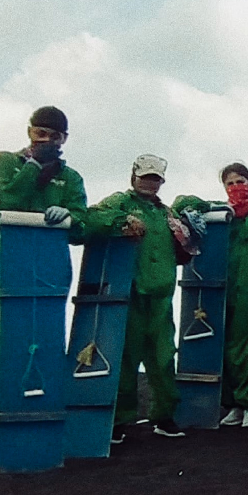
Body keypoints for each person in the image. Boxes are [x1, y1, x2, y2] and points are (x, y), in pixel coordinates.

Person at [0, 106, 89, 465]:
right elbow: (3, 203)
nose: (45, 141)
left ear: (64, 139)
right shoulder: (4, 163)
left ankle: (34, 428)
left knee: (40, 346)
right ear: (29, 131)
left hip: (47, 266)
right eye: (39, 133)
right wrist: (32, 167)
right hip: (3, 261)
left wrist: (71, 217)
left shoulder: (70, 177)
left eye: (53, 136)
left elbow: (81, 226)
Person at [85, 154, 205, 442]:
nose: (150, 183)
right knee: (126, 358)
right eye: (146, 177)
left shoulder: (167, 213)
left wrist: (195, 211)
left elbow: (197, 206)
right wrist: (121, 220)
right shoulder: (119, 203)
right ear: (133, 176)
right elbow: (90, 218)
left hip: (162, 297)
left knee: (164, 358)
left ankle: (164, 417)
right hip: (130, 296)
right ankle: (119, 420)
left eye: (156, 179)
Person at [170, 163, 248, 428]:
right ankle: (232, 404)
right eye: (231, 183)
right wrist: (208, 206)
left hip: (247, 292)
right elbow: (181, 203)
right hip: (216, 290)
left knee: (245, 349)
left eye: (241, 181)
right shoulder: (217, 214)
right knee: (218, 346)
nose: (237, 187)